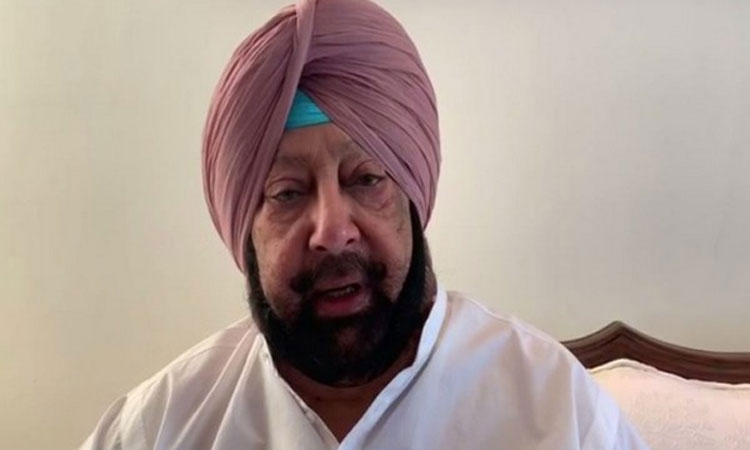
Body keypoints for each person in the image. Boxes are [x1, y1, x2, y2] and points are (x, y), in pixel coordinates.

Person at [82, 0, 649, 448]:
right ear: (244, 227)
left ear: (411, 196)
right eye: (287, 192)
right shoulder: (160, 427)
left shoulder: (556, 410)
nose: (333, 231)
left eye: (366, 179)